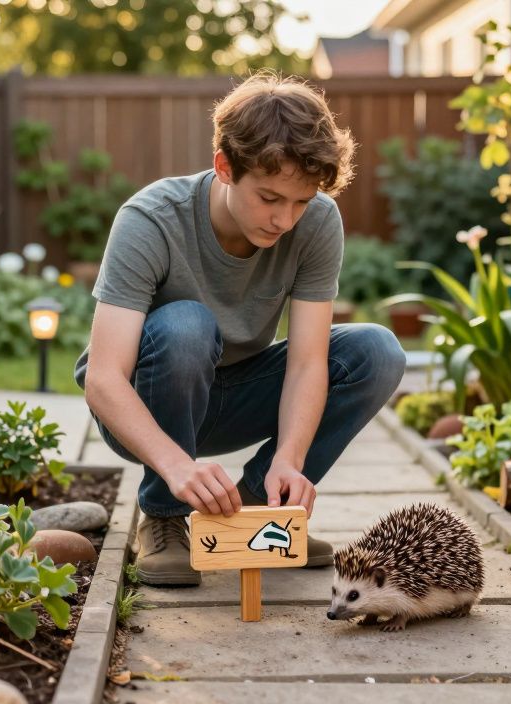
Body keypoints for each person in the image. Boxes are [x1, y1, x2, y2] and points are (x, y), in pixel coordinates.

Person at [73, 72, 407, 586]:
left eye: (300, 202)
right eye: (270, 198)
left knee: (377, 351)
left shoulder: (317, 222)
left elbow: (307, 363)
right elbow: (103, 379)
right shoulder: (151, 218)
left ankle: (257, 512)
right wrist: (177, 469)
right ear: (225, 167)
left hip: (240, 391)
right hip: (149, 404)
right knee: (186, 324)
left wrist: (290, 461)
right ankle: (163, 518)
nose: (284, 220)